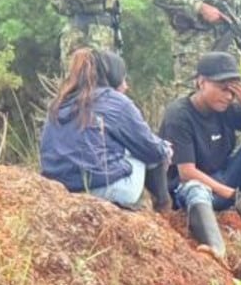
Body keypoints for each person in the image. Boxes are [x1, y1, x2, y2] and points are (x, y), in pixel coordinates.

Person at [160, 51, 241, 256]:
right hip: (190, 192)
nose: (228, 96)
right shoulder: (179, 115)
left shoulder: (228, 108)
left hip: (225, 180)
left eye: (233, 91)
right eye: (222, 89)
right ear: (201, 82)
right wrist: (235, 196)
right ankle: (216, 247)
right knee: (195, 187)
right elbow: (187, 173)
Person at [40, 49, 173, 211]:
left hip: (58, 189)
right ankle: (164, 209)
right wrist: (165, 148)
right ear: (113, 77)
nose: (126, 86)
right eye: (123, 79)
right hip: (104, 190)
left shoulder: (59, 103)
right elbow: (150, 149)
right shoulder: (117, 102)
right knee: (149, 148)